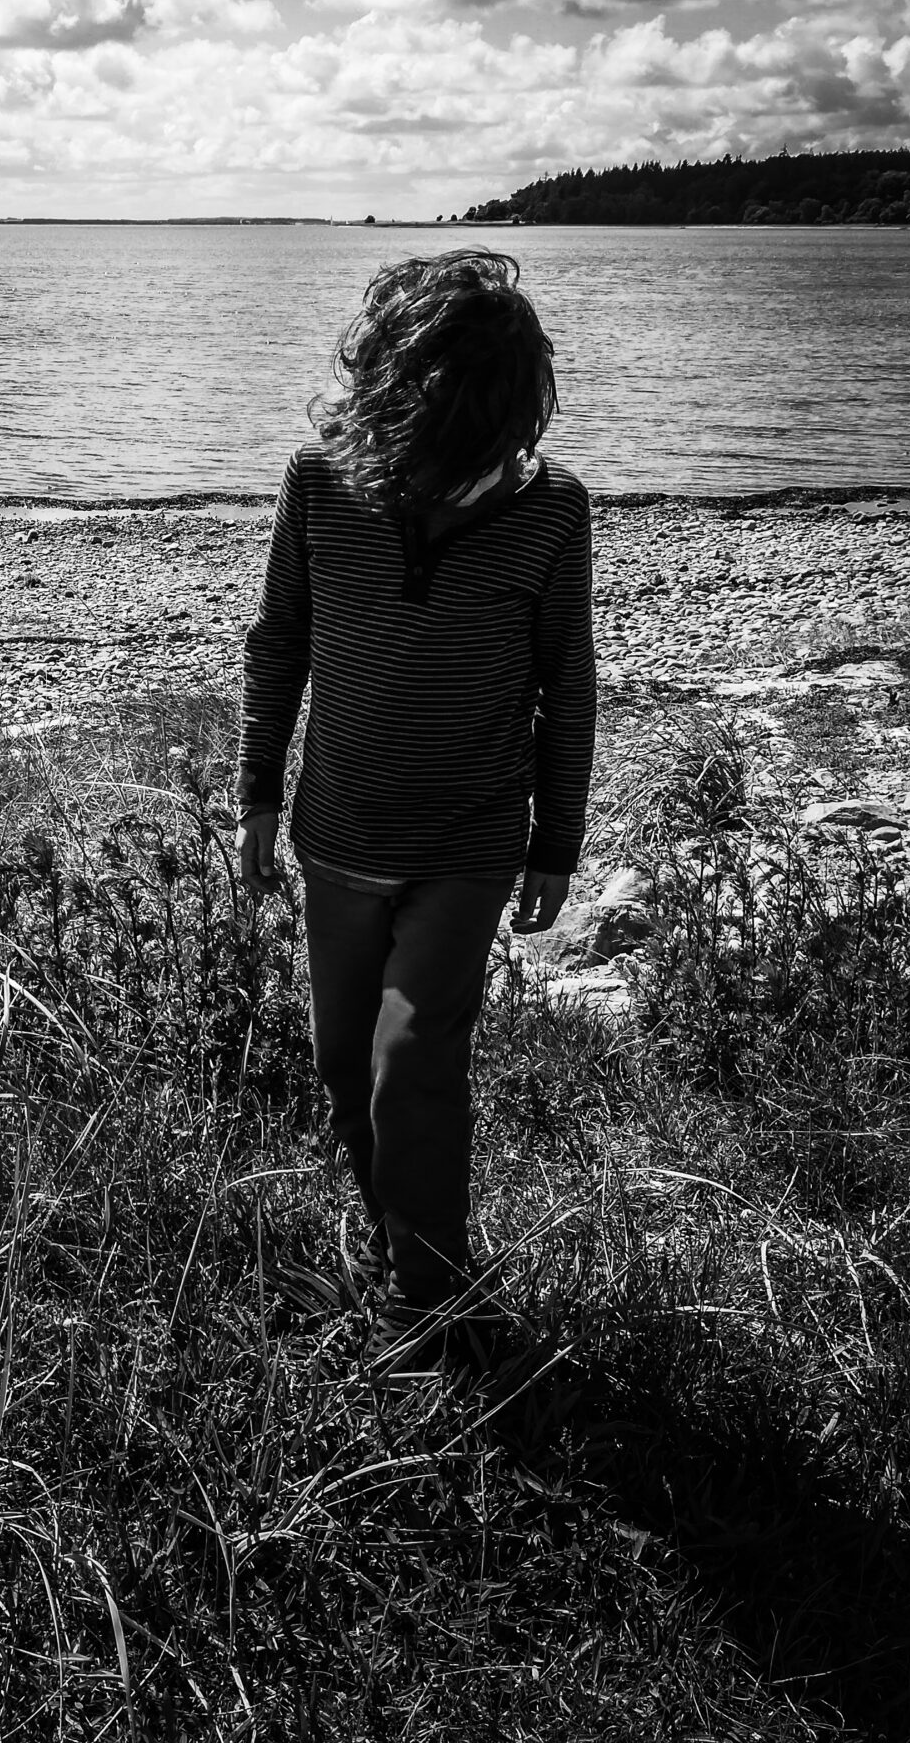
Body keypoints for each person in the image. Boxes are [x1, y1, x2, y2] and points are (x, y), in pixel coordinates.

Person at [235, 249, 595, 1370]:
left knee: (411, 1058)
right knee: (346, 1067)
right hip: (337, 832)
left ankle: (426, 1303)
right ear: (391, 392)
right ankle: (403, 1242)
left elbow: (565, 676)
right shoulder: (317, 484)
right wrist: (255, 794)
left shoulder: (551, 511)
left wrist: (556, 841)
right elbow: (278, 642)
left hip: (469, 842)